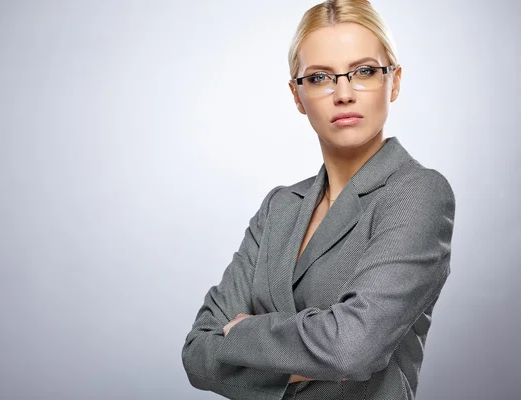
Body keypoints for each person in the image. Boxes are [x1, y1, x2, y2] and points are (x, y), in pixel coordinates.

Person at [181, 1, 456, 399]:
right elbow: (197, 352)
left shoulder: (417, 193)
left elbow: (352, 348)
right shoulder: (279, 207)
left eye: (364, 71)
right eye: (320, 77)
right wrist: (312, 352)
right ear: (297, 95)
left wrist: (242, 333)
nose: (343, 93)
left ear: (393, 82)